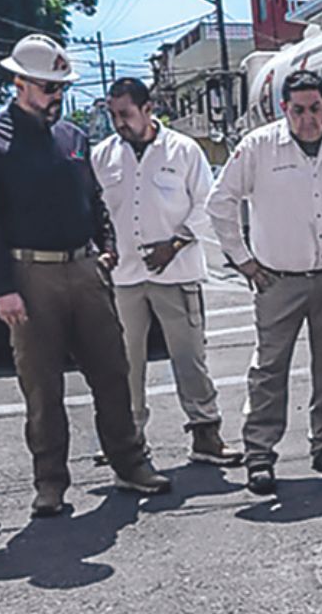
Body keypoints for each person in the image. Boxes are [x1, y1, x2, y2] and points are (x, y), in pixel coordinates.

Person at [0, 34, 169, 517]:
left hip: (84, 266)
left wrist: (107, 246)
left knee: (112, 371)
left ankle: (129, 461)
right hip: (29, 275)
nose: (56, 97)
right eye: (47, 88)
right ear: (20, 83)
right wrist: (3, 288)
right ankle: (50, 482)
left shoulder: (73, 137)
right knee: (42, 384)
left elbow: (92, 198)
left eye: (61, 88)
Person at [206, 70, 322, 496]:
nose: (307, 118)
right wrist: (244, 261)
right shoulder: (258, 147)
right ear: (283, 109)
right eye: (298, 110)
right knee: (269, 370)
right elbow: (219, 202)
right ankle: (259, 455)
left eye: (315, 108)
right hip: (278, 279)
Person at [93, 78, 241, 467]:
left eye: (125, 114)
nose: (119, 123)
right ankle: (128, 440)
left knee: (189, 356)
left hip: (176, 272)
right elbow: (97, 211)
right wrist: (105, 249)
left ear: (147, 109)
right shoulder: (103, 156)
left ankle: (206, 434)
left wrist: (173, 245)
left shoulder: (183, 150)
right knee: (125, 361)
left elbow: (206, 204)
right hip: (125, 276)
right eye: (113, 115)